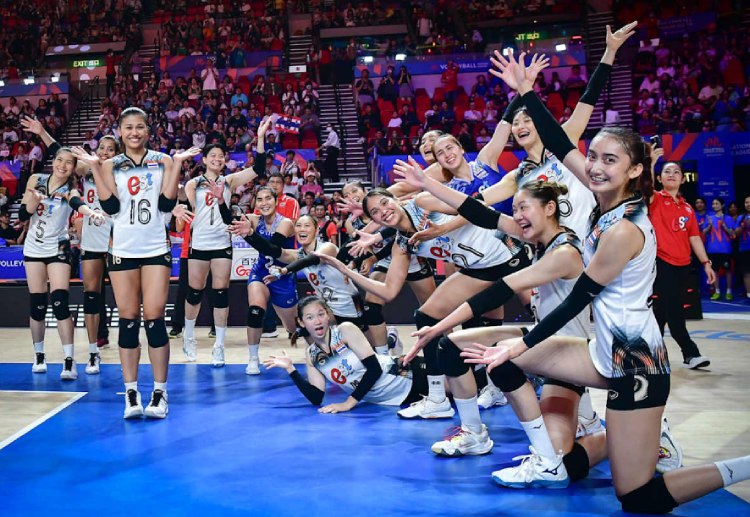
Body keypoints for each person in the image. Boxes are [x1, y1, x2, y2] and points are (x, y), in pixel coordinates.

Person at [465, 48, 750, 513]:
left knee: (637, 497)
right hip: (605, 351)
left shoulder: (624, 228)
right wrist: (525, 92)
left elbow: (578, 297)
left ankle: (737, 463)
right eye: (593, 156)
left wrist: (522, 343)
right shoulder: (604, 195)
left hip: (636, 363)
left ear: (635, 170)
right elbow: (560, 144)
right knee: (504, 362)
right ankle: (557, 459)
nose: (595, 166)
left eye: (609, 160)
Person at [318, 187, 529, 421]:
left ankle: (521, 376)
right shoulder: (402, 244)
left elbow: (477, 208)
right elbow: (388, 291)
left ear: (396, 200)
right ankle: (438, 398)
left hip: (510, 253)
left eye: (385, 203)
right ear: (374, 220)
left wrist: (442, 229)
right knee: (426, 316)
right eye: (375, 212)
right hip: (481, 268)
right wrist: (345, 270)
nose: (383, 211)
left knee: (532, 316)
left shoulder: (422, 203)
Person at [74, 107, 199, 419]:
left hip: (155, 248)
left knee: (154, 320)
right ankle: (131, 393)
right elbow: (110, 206)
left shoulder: (164, 160)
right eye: (128, 127)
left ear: (148, 130)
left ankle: (160, 392)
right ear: (120, 131)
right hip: (122, 249)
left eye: (140, 127)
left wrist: (177, 165)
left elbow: (167, 204)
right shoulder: (110, 164)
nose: (134, 132)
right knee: (128, 321)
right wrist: (96, 168)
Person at [180, 119, 269, 366]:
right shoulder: (192, 184)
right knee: (194, 292)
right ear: (204, 160)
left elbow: (259, 167)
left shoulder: (229, 181)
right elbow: (187, 210)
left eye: (221, 156)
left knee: (220, 293)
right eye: (213, 156)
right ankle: (189, 336)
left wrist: (260, 137)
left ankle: (219, 345)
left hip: (221, 242)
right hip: (199, 243)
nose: (217, 159)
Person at [21, 146, 106, 379]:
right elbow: (23, 215)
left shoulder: (70, 189)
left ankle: (69, 360)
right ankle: (39, 355)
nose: (63, 165)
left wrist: (91, 213)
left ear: (73, 168)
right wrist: (33, 201)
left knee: (60, 302)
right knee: (37, 305)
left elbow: (78, 203)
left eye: (69, 162)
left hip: (58, 247)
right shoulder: (36, 179)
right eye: (60, 160)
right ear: (53, 161)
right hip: (34, 248)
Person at [263, 296, 428, 413]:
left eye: (321, 314)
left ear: (328, 315)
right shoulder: (312, 355)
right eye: (310, 317)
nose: (317, 321)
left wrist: (348, 404)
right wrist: (291, 369)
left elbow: (375, 369)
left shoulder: (345, 330)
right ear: (301, 322)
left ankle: (391, 339)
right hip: (395, 399)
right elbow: (316, 397)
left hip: (409, 374)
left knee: (446, 380)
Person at [341, 180, 434, 357]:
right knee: (371, 307)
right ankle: (383, 356)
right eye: (346, 195)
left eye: (354, 191)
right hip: (386, 262)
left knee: (432, 310)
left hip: (411, 257)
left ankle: (447, 347)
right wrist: (353, 263)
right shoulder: (352, 222)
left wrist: (373, 257)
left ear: (365, 191)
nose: (351, 196)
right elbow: (359, 246)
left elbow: (398, 233)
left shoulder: (389, 205)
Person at [648, 154, 716, 369]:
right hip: (661, 262)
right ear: (659, 178)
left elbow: (694, 237)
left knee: (661, 310)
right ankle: (690, 352)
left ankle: (652, 353)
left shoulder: (687, 208)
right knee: (674, 308)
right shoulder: (655, 199)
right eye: (667, 171)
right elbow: (644, 187)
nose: (672, 174)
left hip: (683, 265)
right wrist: (651, 162)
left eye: (676, 172)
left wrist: (706, 263)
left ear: (683, 179)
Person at [227, 186, 298, 375]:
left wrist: (249, 234)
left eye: (268, 198)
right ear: (255, 203)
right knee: (255, 311)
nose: (264, 203)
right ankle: (253, 358)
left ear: (276, 201)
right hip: (260, 272)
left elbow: (271, 249)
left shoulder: (286, 223)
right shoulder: (253, 219)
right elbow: (228, 218)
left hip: (282, 276)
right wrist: (221, 201)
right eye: (260, 199)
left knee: (293, 327)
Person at [704, 198, 735, 300]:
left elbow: (732, 234)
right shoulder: (709, 218)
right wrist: (709, 225)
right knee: (714, 271)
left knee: (728, 271)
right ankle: (717, 291)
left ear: (722, 205)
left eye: (717, 203)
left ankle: (729, 292)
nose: (714, 205)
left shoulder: (728, 218)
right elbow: (703, 233)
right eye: (713, 204)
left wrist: (724, 225)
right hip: (712, 250)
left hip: (725, 250)